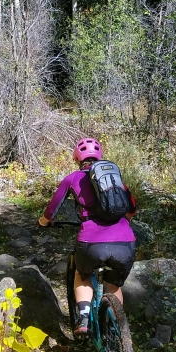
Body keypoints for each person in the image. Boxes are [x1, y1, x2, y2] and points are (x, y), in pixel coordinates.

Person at [38, 138, 136, 335]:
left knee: (82, 275)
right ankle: (118, 329)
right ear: (99, 157)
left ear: (77, 158)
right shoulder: (115, 179)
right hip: (126, 242)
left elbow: (52, 210)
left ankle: (83, 320)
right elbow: (132, 209)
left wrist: (43, 222)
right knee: (114, 284)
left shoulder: (73, 178)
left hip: (91, 242)